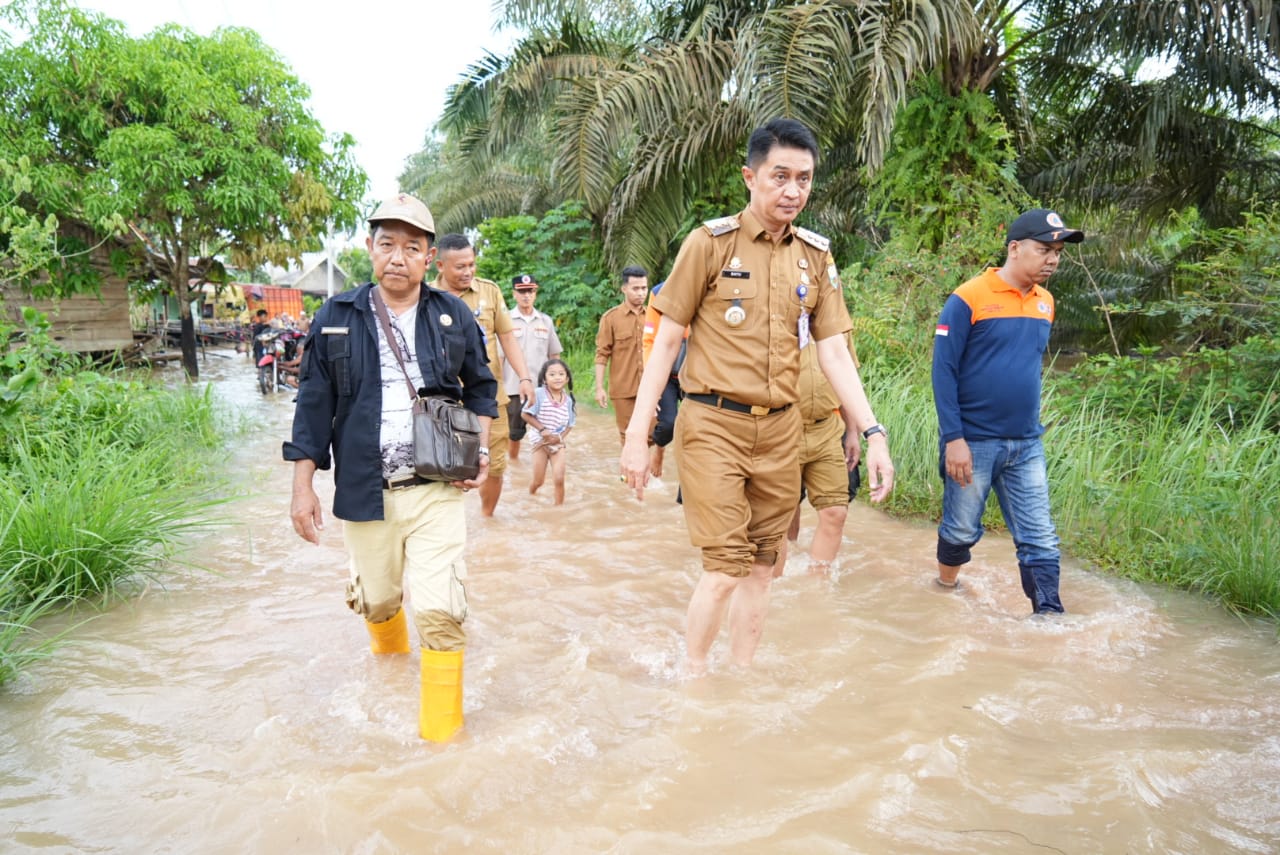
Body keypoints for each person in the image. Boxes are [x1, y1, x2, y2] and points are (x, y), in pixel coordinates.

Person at [619, 118, 895, 675]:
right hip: (712, 424)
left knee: (766, 566)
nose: (793, 191)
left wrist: (873, 432)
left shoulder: (816, 257)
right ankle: (693, 681)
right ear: (750, 176)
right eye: (780, 177)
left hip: (780, 432)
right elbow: (667, 338)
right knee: (724, 567)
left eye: (804, 179)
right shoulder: (709, 244)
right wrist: (636, 433)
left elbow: (836, 353)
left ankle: (740, 681)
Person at [283, 193, 498, 743]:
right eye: (387, 244)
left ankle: (441, 744)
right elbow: (312, 404)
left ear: (429, 257)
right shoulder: (335, 317)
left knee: (440, 611)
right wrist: (302, 487)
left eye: (411, 247)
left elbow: (481, 388)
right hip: (365, 489)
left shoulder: (454, 316)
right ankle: (389, 674)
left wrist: (483, 450)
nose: (397, 257)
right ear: (369, 249)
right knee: (378, 602)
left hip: (435, 488)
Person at [931, 207, 1084, 614]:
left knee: (1040, 537)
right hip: (974, 442)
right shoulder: (968, 298)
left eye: (1058, 251)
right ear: (1015, 248)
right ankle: (945, 588)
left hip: (1026, 443)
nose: (1053, 258)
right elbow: (943, 372)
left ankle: (1049, 616)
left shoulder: (1045, 303)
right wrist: (954, 439)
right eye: (1044, 249)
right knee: (961, 530)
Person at [432, 234, 536, 517]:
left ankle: (487, 518)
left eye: (472, 265)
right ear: (440, 265)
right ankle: (447, 521)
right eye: (460, 267)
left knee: (495, 465)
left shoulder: (489, 292)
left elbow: (506, 337)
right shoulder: (425, 296)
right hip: (443, 401)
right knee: (439, 463)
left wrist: (525, 378)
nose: (468, 272)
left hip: (489, 398)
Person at [780, 334, 861, 576]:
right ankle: (772, 582)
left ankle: (816, 586)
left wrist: (853, 433)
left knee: (835, 511)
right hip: (781, 427)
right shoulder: (778, 312)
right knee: (779, 514)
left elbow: (848, 378)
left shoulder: (838, 325)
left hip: (826, 428)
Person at [503, 273, 563, 462]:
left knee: (547, 431)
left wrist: (556, 386)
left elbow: (554, 355)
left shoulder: (545, 321)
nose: (526, 296)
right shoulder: (505, 321)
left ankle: (542, 468)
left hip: (542, 390)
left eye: (530, 291)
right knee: (514, 434)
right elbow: (497, 356)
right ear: (514, 294)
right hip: (513, 388)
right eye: (521, 292)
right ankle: (514, 465)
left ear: (535, 293)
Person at [594, 266, 650, 443]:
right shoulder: (611, 318)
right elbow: (602, 354)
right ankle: (629, 472)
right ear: (624, 289)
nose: (641, 293)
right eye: (635, 288)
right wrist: (599, 388)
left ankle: (652, 469)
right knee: (628, 437)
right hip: (623, 390)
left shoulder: (654, 316)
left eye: (644, 288)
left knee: (655, 435)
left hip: (651, 388)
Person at [640, 280, 687, 478]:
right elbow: (649, 340)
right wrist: (653, 382)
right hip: (666, 374)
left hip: (693, 374)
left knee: (694, 428)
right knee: (668, 422)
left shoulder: (709, 289)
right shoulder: (659, 292)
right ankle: (659, 448)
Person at [521, 357, 576, 505]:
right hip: (539, 443)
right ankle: (531, 494)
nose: (557, 377)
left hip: (557, 444)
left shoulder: (568, 400)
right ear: (544, 379)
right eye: (552, 374)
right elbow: (525, 414)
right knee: (539, 481)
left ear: (566, 378)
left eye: (561, 374)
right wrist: (542, 429)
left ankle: (559, 510)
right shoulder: (538, 393)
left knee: (559, 478)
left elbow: (570, 424)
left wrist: (560, 438)